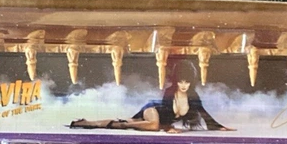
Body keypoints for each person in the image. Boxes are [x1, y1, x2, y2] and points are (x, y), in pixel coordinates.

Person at [70, 60, 231, 133]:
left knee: (131, 121)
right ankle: (120, 125)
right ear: (176, 80)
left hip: (158, 119)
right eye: (180, 81)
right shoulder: (169, 92)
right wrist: (168, 128)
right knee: (153, 125)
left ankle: (86, 123)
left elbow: (204, 114)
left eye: (187, 82)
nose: (183, 85)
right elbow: (165, 113)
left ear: (191, 82)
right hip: (152, 109)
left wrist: (219, 127)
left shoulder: (193, 97)